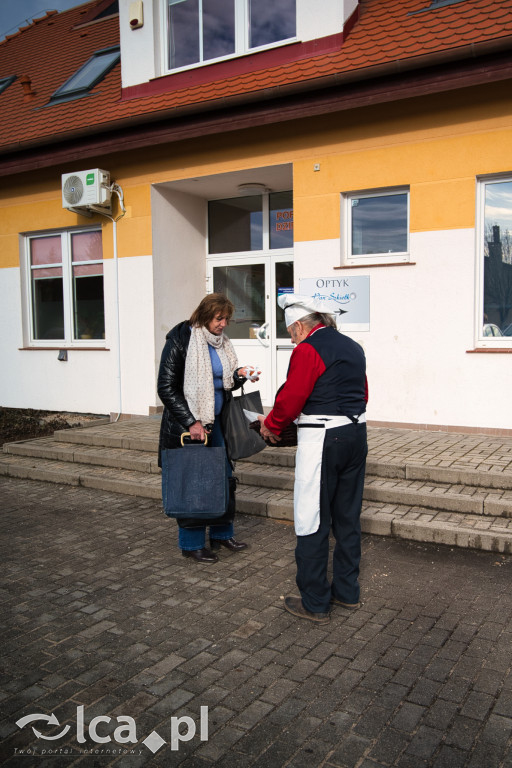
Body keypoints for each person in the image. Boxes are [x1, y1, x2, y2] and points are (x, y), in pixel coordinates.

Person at [258, 294, 368, 624]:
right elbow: (362, 392)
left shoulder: (308, 349)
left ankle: (316, 601)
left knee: (311, 516)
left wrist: (271, 424)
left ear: (299, 326)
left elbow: (293, 397)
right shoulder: (353, 346)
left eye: (290, 333)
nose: (292, 340)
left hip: (323, 438)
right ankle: (347, 592)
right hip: (356, 433)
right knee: (347, 518)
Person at [157, 293, 256, 563]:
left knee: (224, 479)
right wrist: (192, 421)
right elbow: (166, 387)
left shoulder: (222, 343)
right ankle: (191, 544)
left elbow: (223, 382)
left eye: (227, 319)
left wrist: (239, 375)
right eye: (219, 318)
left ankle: (222, 533)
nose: (224, 324)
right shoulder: (180, 340)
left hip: (219, 422)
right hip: (190, 426)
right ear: (204, 315)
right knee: (193, 482)